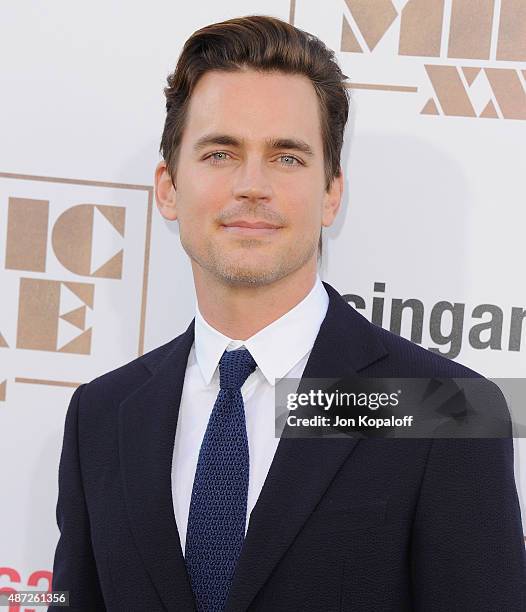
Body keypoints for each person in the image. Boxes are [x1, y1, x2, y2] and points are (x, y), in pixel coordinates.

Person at [48, 14, 526, 612]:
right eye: (221, 153)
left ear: (332, 192)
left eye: (287, 157)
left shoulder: (441, 408)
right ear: (168, 187)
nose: (252, 184)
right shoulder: (102, 416)